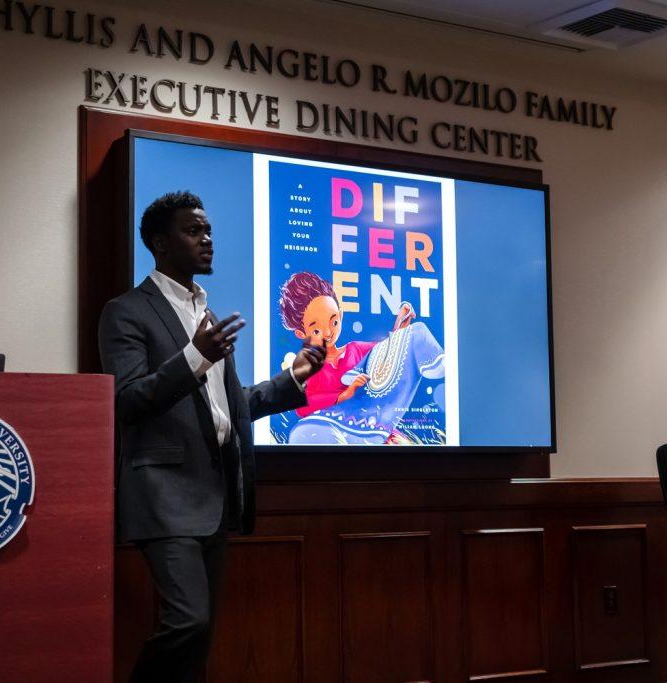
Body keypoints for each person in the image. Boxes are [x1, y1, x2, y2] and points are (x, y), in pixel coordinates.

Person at [98, 191, 324, 682]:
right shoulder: (127, 312)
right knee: (187, 621)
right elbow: (128, 400)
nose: (208, 240)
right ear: (160, 243)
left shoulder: (205, 311)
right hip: (163, 496)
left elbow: (227, 407)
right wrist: (194, 357)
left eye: (209, 231)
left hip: (217, 496)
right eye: (193, 231)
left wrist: (294, 378)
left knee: (199, 638)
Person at [276, 271, 445, 445]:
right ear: (301, 333)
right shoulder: (309, 366)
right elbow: (302, 407)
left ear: (340, 315)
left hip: (369, 424)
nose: (327, 332)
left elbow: (386, 352)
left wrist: (399, 328)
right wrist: (344, 395)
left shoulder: (356, 349)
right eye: (316, 330)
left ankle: (434, 361)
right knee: (305, 434)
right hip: (327, 426)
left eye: (333, 322)